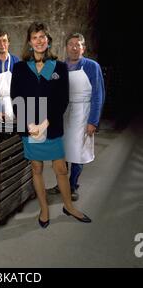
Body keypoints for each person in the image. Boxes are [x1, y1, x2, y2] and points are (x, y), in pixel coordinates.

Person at [10, 22, 91, 228]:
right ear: (30, 42)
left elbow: (61, 99)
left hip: (51, 126)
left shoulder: (59, 67)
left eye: (42, 37)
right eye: (35, 37)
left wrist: (44, 124)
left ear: (48, 40)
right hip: (30, 127)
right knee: (36, 168)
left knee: (61, 169)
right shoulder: (20, 68)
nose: (39, 41)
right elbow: (16, 97)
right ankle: (44, 209)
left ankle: (69, 207)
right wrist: (29, 124)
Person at [48, 33, 105, 201]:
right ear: (66, 47)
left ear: (83, 48)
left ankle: (72, 185)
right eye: (71, 44)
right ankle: (61, 183)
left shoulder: (92, 66)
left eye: (78, 44)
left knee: (78, 152)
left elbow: (98, 95)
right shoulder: (59, 67)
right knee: (61, 151)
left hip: (82, 113)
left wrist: (93, 121)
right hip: (63, 114)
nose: (74, 47)